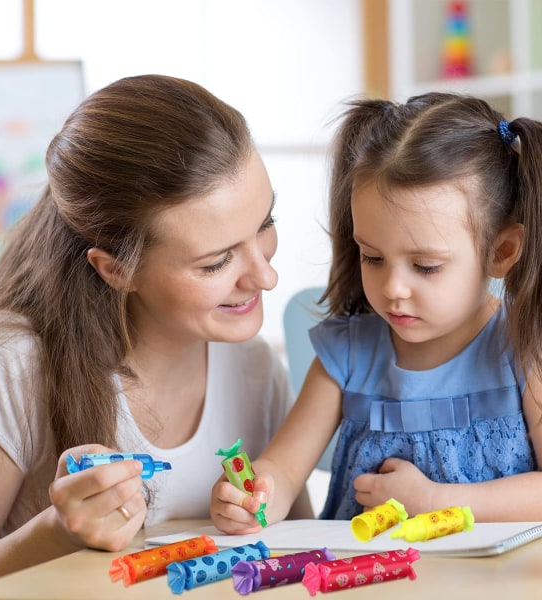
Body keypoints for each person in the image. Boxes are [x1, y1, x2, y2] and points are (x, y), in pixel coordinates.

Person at [0, 74, 312, 593]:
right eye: (216, 262)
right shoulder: (9, 366)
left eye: (265, 222)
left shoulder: (253, 369)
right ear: (115, 269)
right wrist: (52, 535)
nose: (266, 277)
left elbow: (296, 555)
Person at [211, 91, 542, 534]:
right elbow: (285, 469)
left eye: (425, 266)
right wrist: (254, 494)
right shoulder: (347, 355)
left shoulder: (522, 348)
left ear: (501, 252)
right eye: (372, 257)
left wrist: (435, 502)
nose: (392, 289)